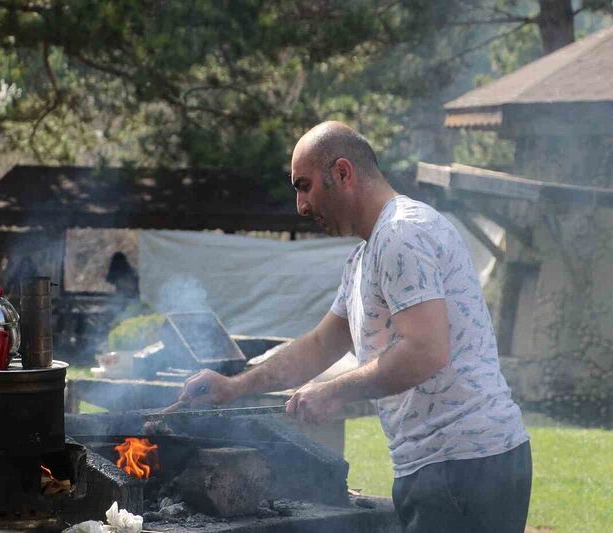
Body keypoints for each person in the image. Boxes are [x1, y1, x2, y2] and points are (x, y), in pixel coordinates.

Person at [178, 121, 531, 533]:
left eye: (304, 185)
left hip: (466, 466)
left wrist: (335, 391)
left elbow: (426, 349)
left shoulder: (403, 232)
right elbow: (319, 344)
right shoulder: (365, 257)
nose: (301, 206)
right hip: (439, 468)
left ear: (343, 173)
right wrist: (233, 386)